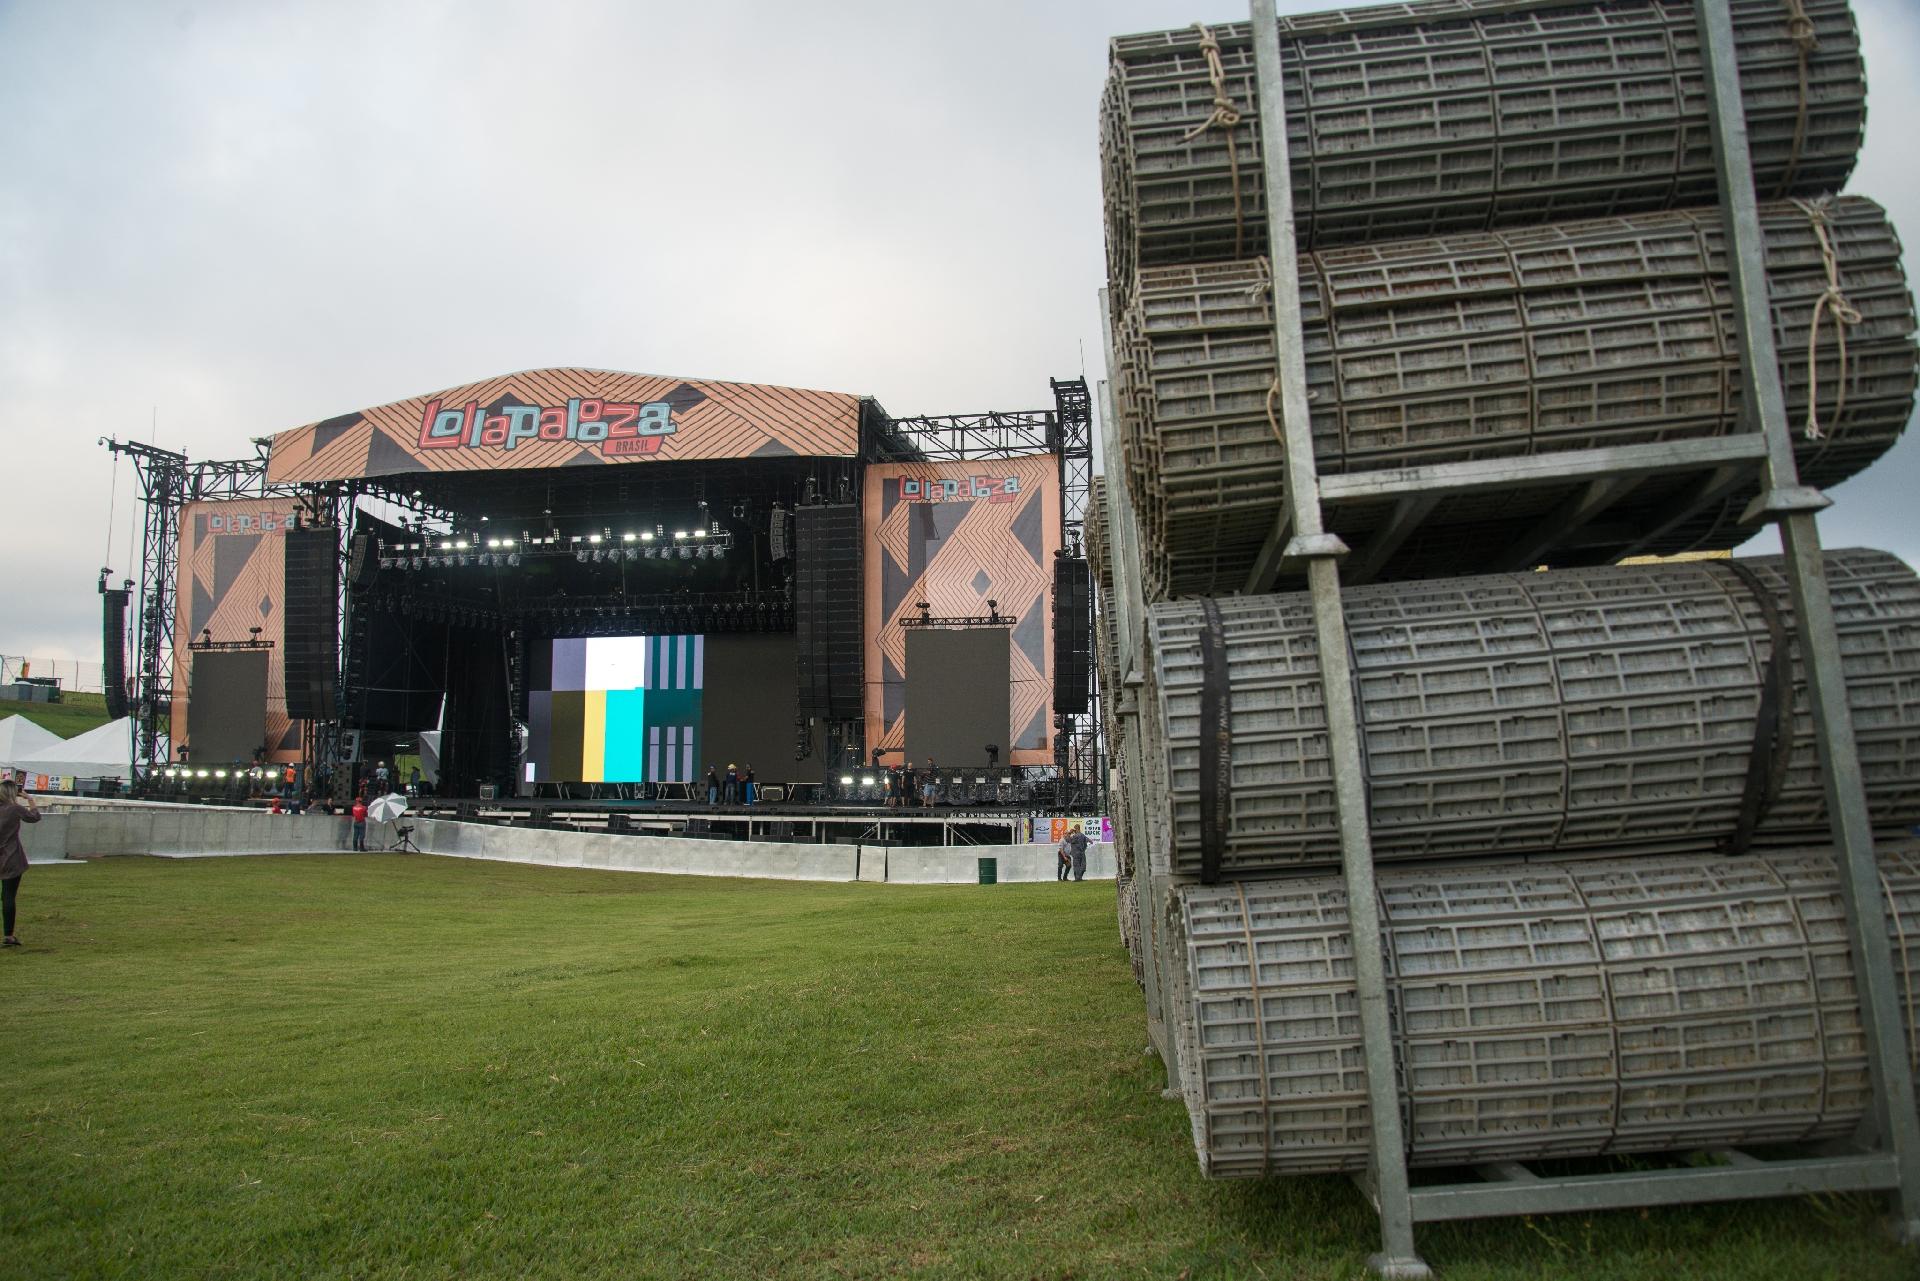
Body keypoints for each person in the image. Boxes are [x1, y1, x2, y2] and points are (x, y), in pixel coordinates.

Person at [0, 780, 41, 947]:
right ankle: (9, 935)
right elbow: (34, 817)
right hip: (11, 857)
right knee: (8, 896)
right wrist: (30, 799)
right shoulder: (14, 809)